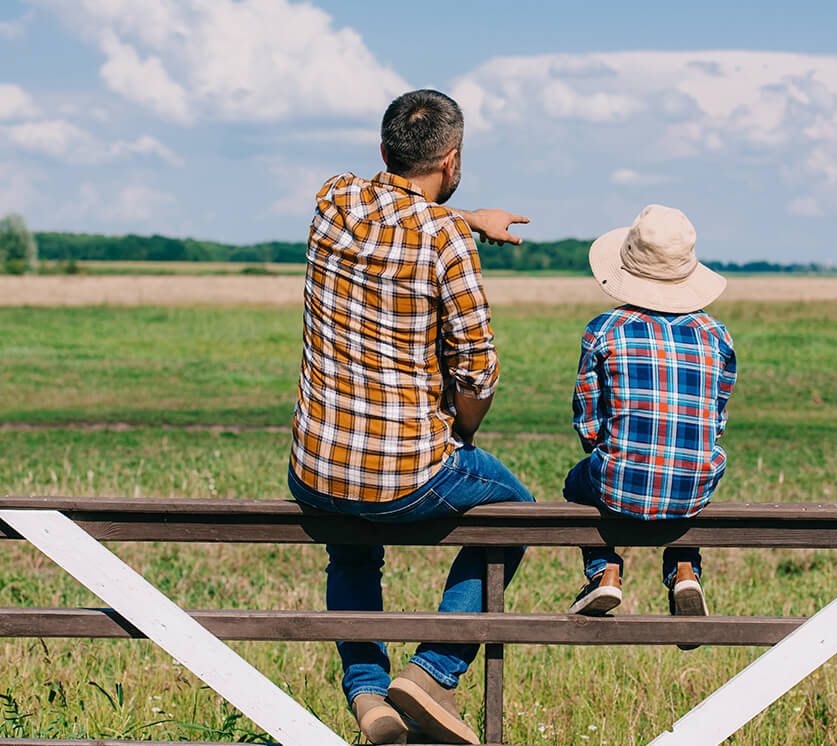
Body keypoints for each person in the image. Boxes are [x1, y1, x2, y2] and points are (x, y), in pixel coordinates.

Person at [287, 89, 533, 745]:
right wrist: (463, 435)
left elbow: (398, 208)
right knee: (518, 513)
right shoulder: (447, 243)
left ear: (382, 151)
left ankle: (368, 696)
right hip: (407, 476)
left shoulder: (332, 200)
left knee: (352, 550)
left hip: (317, 470)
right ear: (450, 160)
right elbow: (477, 371)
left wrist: (464, 216)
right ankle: (431, 673)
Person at [562, 204, 737, 645]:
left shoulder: (604, 330)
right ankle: (683, 570)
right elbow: (715, 420)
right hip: (695, 485)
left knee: (575, 486)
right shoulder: (717, 335)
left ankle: (605, 572)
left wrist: (613, 449)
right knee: (684, 476)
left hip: (617, 482)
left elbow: (587, 425)